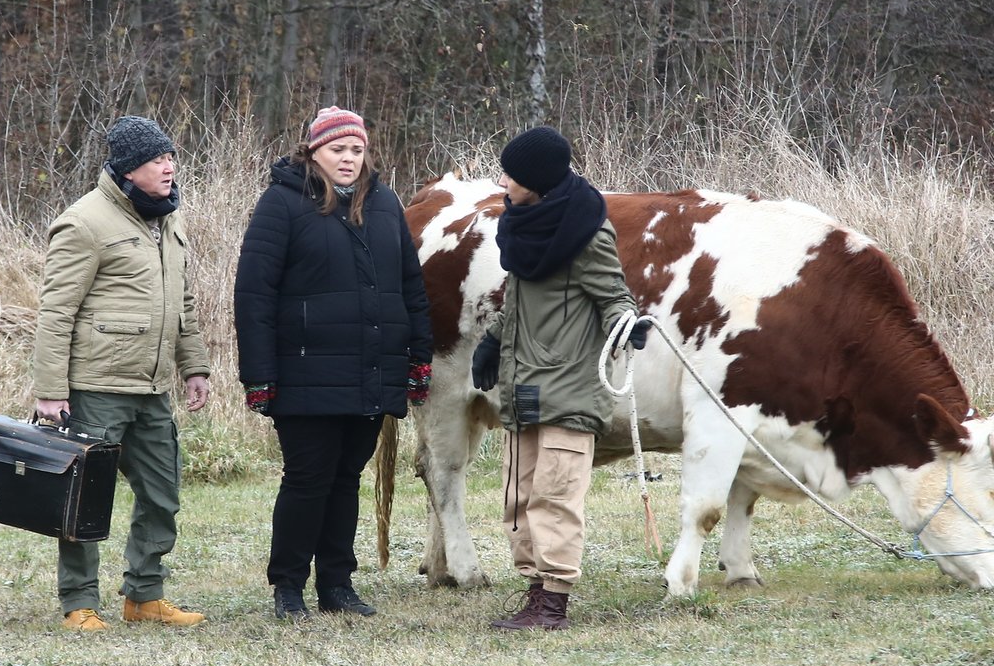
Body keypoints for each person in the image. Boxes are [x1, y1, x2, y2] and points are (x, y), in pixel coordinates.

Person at [234, 106, 433, 621]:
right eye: (337, 149)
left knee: (348, 478)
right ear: (313, 151)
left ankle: (338, 585)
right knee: (308, 478)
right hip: (304, 371)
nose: (348, 159)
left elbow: (410, 286)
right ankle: (289, 587)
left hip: (370, 368)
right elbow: (254, 294)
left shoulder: (385, 203)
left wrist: (418, 358)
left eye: (356, 149)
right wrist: (259, 376)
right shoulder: (282, 203)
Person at [33, 115, 212, 632]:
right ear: (130, 169)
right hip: (96, 387)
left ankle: (144, 595)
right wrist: (50, 391)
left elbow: (184, 302)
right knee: (84, 499)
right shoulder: (84, 222)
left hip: (153, 389)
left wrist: (194, 367)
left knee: (163, 493)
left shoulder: (169, 219)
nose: (169, 166)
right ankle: (79, 603)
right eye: (158, 159)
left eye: (171, 157)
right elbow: (55, 311)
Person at [471, 126, 651, 631]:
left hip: (569, 387)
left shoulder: (587, 233)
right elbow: (523, 298)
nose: (503, 181)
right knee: (519, 496)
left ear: (538, 180)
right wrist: (492, 341)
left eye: (512, 174)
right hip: (523, 382)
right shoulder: (525, 225)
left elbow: (614, 295)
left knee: (555, 495)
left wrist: (626, 324)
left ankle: (554, 603)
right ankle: (534, 592)